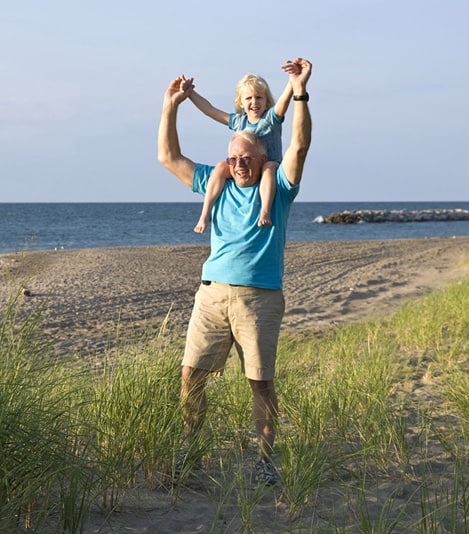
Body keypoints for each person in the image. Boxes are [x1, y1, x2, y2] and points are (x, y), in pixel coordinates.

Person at [157, 57, 312, 485]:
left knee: (260, 384)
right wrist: (172, 105)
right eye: (233, 157)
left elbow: (298, 147)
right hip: (211, 295)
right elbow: (168, 156)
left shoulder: (278, 186)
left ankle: (264, 462)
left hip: (259, 298)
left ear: (263, 157)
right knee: (191, 377)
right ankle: (190, 451)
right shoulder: (215, 181)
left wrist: (299, 92)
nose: (239, 163)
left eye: (247, 157)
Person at [188, 73, 294, 233]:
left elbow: (283, 103)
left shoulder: (270, 119)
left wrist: (293, 82)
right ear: (241, 103)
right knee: (221, 166)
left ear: (266, 101)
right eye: (248, 98)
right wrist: (190, 93)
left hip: (268, 167)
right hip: (244, 168)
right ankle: (205, 214)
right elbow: (211, 111)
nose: (254, 102)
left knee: (269, 167)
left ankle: (265, 211)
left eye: (259, 97)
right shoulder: (240, 121)